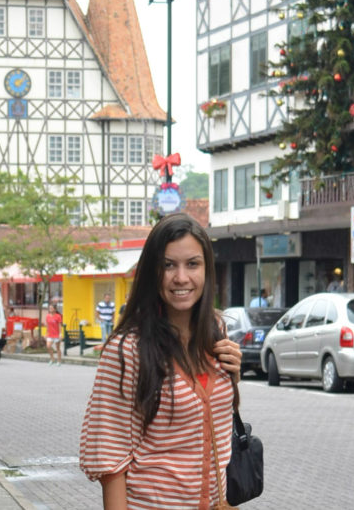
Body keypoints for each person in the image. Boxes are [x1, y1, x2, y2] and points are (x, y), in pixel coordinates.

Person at [79, 213, 242, 509]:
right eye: (168, 265)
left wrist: (233, 379)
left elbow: (214, 425)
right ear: (153, 272)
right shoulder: (127, 350)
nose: (181, 277)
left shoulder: (217, 335)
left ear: (207, 270)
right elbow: (110, 463)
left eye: (192, 264)